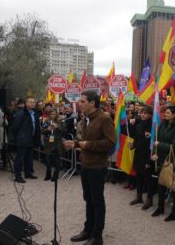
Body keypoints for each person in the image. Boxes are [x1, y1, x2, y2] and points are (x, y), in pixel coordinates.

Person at [65, 91, 115, 245]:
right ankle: (88, 229)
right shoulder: (87, 118)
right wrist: (76, 144)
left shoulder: (104, 118)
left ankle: (97, 236)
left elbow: (110, 143)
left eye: (82, 101)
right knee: (88, 199)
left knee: (97, 200)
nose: (79, 104)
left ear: (92, 103)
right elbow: (86, 141)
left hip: (97, 167)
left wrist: (88, 145)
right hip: (86, 164)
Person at [151, 105, 175, 221]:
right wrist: (155, 153)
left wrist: (159, 145)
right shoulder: (163, 124)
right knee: (161, 184)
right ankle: (160, 207)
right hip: (161, 158)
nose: (165, 114)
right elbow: (156, 139)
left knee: (173, 186)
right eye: (165, 112)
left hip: (173, 161)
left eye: (168, 113)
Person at [129, 106, 153, 209]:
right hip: (138, 154)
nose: (143, 114)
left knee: (147, 178)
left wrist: (149, 161)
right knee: (138, 176)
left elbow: (151, 145)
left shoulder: (152, 126)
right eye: (142, 113)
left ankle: (149, 199)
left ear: (150, 115)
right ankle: (139, 196)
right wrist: (132, 145)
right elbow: (136, 138)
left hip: (147, 156)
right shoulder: (139, 125)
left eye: (145, 113)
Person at [11, 96, 40, 183]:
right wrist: (20, 136)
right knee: (19, 158)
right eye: (30, 102)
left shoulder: (35, 113)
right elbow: (14, 127)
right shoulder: (21, 113)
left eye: (33, 102)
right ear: (26, 103)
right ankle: (18, 176)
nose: (32, 103)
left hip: (31, 139)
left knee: (29, 158)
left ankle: (28, 173)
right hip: (22, 140)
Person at [41, 109, 63, 181]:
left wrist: (58, 127)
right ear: (49, 115)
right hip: (48, 143)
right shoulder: (46, 121)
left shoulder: (60, 121)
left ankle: (55, 175)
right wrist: (48, 129)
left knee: (57, 159)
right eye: (51, 114)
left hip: (57, 142)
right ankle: (48, 174)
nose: (53, 116)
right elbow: (42, 131)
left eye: (54, 114)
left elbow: (65, 129)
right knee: (48, 159)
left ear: (56, 114)